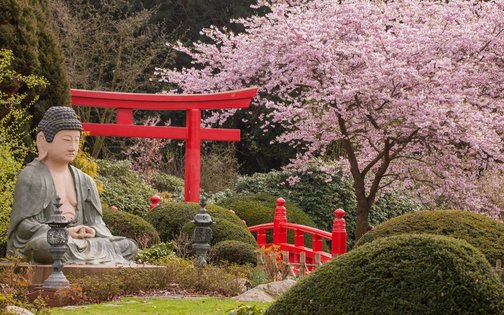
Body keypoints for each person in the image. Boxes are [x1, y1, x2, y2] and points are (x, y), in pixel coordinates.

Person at [7, 106, 137, 264]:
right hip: (51, 239)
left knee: (128, 246)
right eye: (66, 140)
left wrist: (92, 230)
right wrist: (64, 232)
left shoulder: (85, 180)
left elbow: (96, 221)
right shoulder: (31, 176)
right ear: (42, 140)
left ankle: (84, 256)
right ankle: (83, 255)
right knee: (47, 247)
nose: (73, 147)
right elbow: (23, 227)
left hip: (81, 242)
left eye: (76, 140)